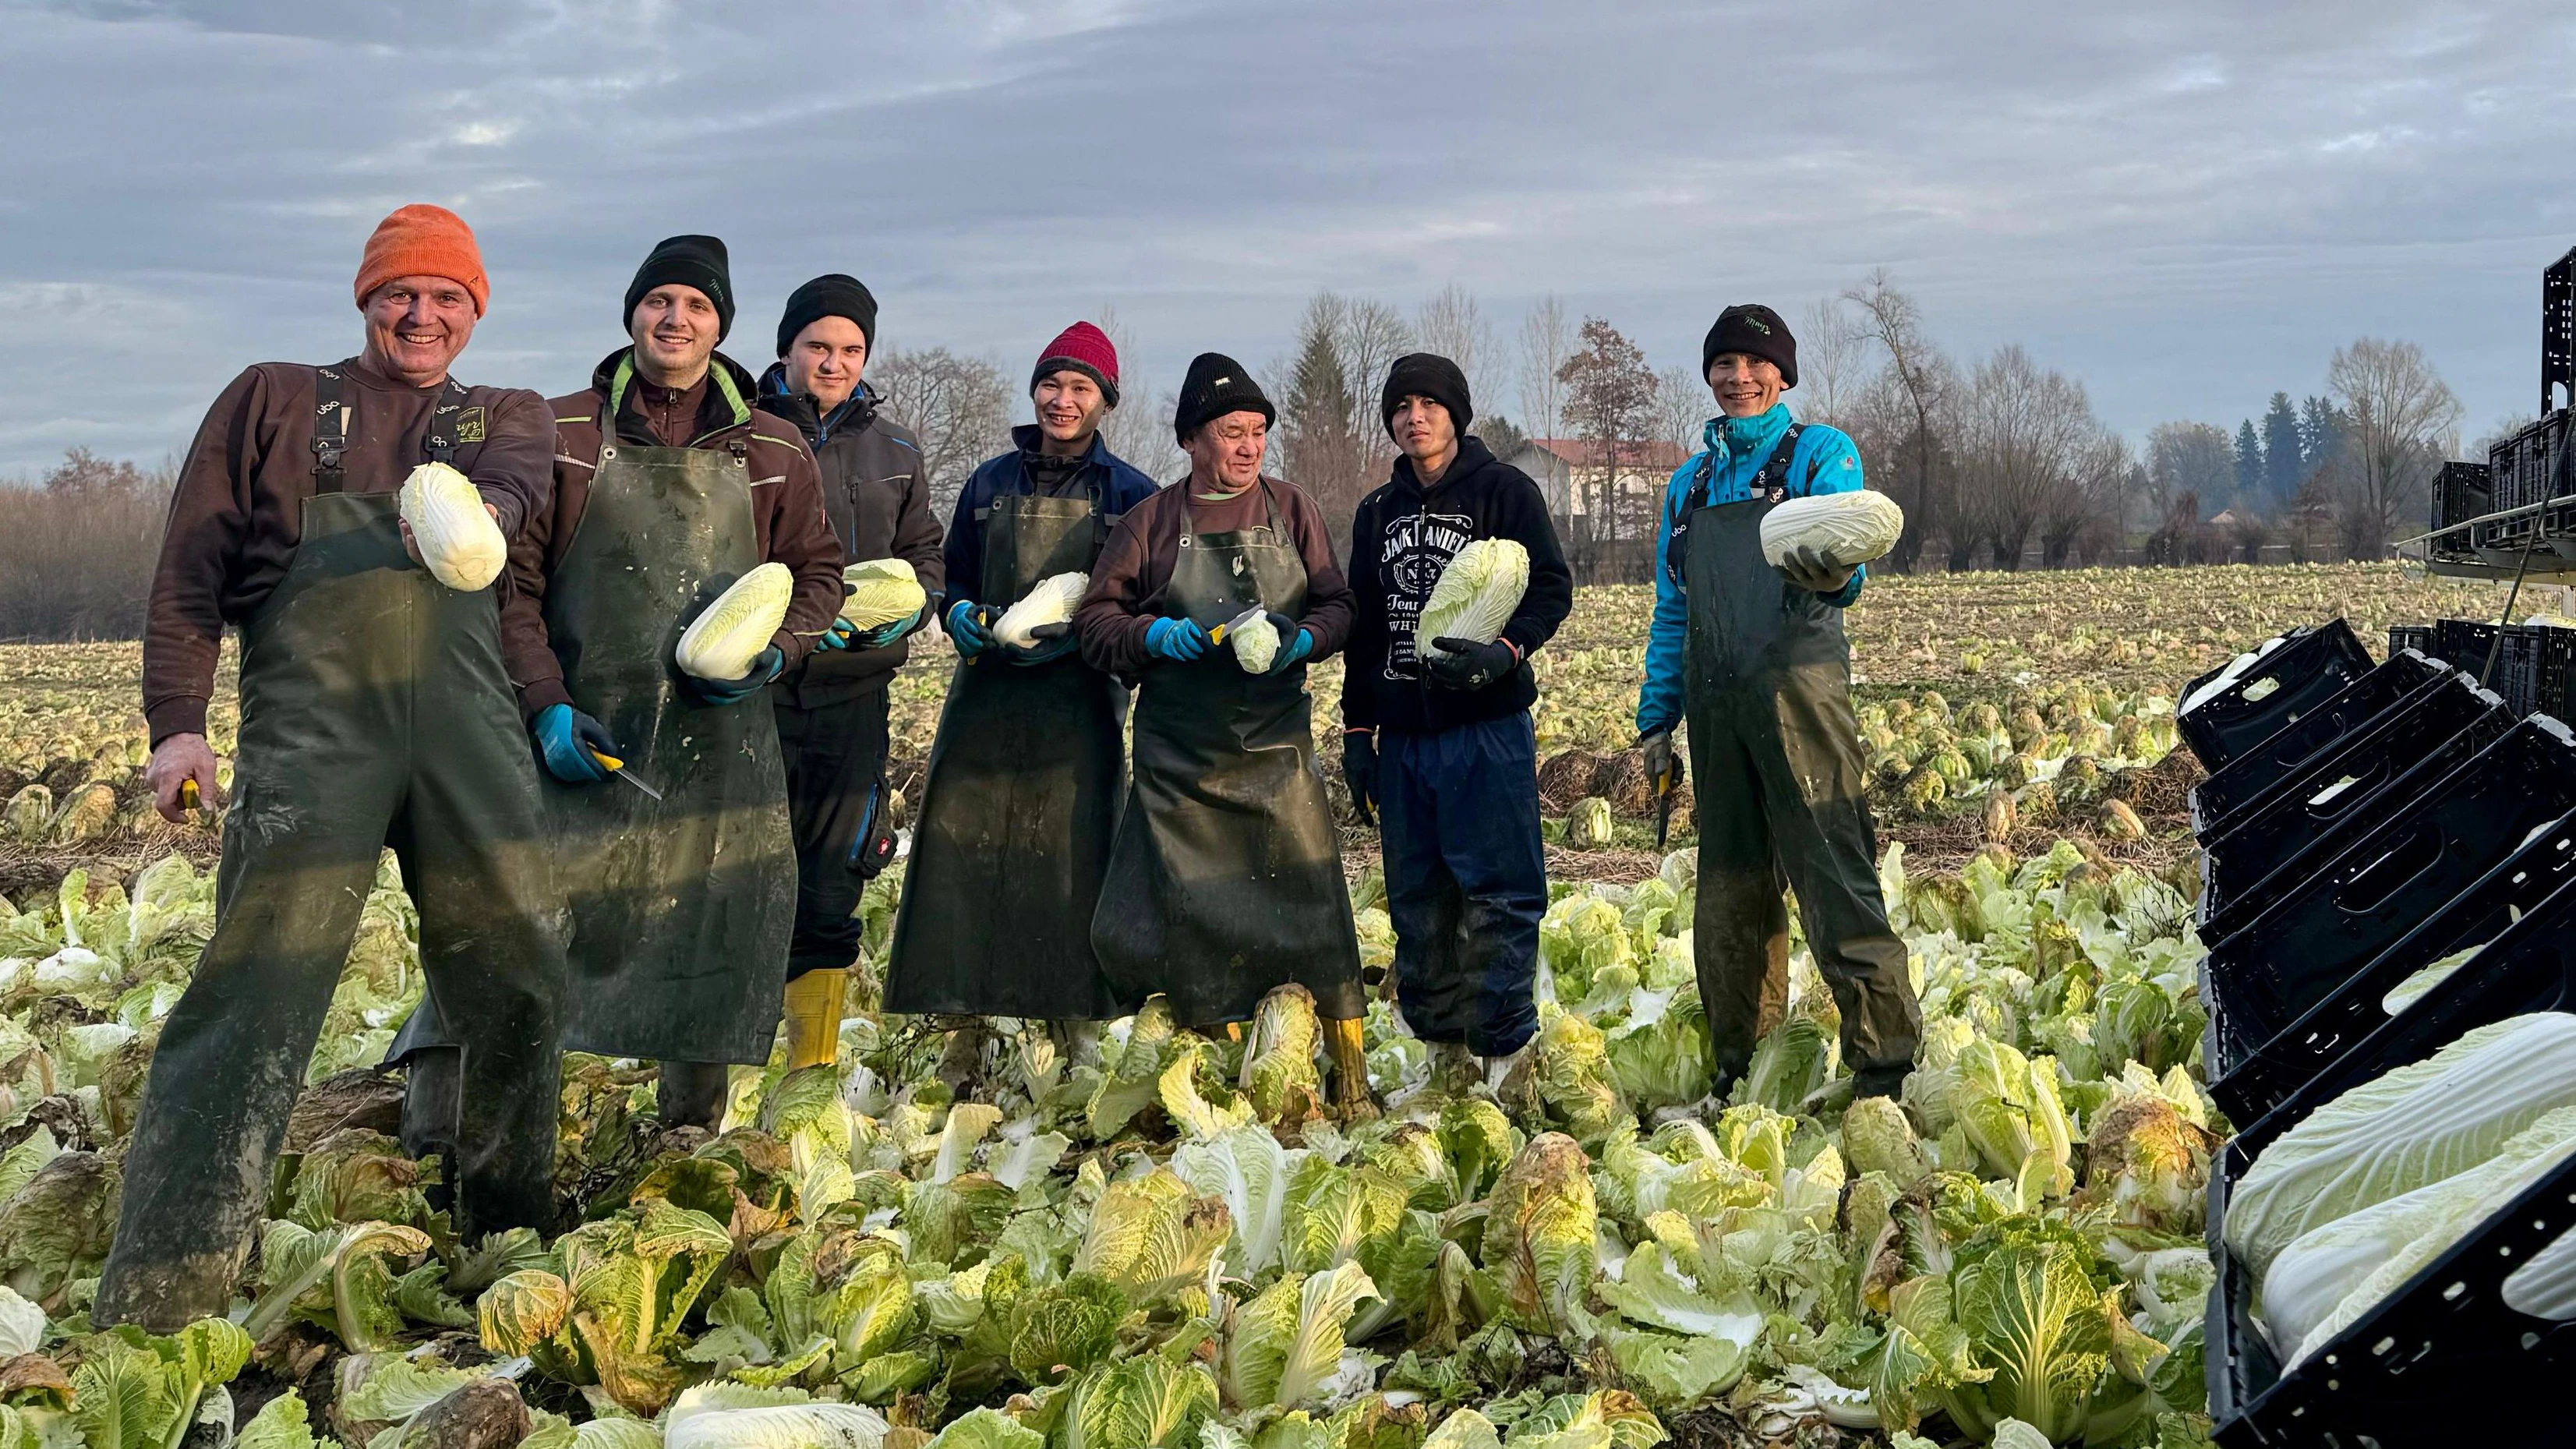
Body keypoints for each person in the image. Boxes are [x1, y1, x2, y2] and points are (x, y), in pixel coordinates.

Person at [100, 206, 567, 1329]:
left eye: (446, 297)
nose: (421, 314)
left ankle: (504, 1231)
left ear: (474, 311)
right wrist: (177, 721)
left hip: (465, 727)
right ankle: (175, 1268)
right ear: (365, 301)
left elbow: (515, 489)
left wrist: (479, 516)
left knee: (518, 965)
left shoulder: (505, 414)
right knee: (260, 977)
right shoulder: (272, 398)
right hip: (315, 731)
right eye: (399, 293)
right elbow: (189, 571)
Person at [398, 235, 843, 1135]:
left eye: (698, 307)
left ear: (721, 328)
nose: (675, 320)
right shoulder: (558, 431)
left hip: (717, 747)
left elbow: (819, 575)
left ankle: (685, 1140)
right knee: (502, 932)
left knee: (709, 940)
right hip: (574, 732)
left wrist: (777, 654)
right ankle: (438, 1143)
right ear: (633, 311)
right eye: (660, 301)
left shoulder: (776, 450)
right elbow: (510, 589)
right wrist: (545, 704)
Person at [1634, 304, 1921, 1100]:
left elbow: (1848, 563)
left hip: (1799, 697)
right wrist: (1656, 716)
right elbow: (1673, 606)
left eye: (1753, 364)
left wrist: (1834, 572)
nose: (1737, 378)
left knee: (1834, 874)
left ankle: (1883, 1062)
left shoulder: (1818, 453)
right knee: (1729, 890)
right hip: (1714, 706)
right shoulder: (1688, 485)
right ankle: (1744, 1062)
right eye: (1721, 364)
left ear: (1782, 374)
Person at [1074, 353, 1372, 1115]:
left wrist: (1305, 639)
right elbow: (1096, 624)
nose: (1247, 447)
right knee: (1195, 926)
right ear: (1190, 440)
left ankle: (1350, 1077)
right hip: (1181, 762)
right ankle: (1218, 1072)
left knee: (1313, 907)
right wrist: (1150, 636)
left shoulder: (1291, 510)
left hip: (1275, 747)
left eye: (1257, 432)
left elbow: (1337, 605)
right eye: (1230, 432)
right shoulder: (1151, 522)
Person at [884, 323, 1156, 1081]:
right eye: (1051, 384)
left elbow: (1137, 603)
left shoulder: (1131, 495)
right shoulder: (989, 481)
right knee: (960, 856)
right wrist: (961, 614)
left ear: (1104, 401)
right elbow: (955, 574)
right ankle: (962, 1028)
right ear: (1034, 389)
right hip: (986, 697)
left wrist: (1084, 639)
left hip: (1079, 705)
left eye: (1080, 388)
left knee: (1075, 864)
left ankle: (1076, 1033)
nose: (1061, 400)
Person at [1342, 354, 1572, 1089]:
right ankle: (1443, 1062)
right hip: (1406, 736)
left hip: (1485, 729)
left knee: (1499, 892)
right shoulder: (1376, 512)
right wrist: (1356, 732)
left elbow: (1551, 588)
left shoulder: (1505, 491)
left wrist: (1505, 652)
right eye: (1401, 406)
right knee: (1418, 898)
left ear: (1456, 413)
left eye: (1429, 404)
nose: (1415, 417)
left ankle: (1503, 1056)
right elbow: (1365, 628)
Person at [755, 275, 944, 1069]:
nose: (832, 362)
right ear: (787, 349)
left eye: (849, 349)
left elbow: (925, 551)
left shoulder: (895, 447)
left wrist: (918, 604)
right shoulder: (745, 432)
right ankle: (729, 1053)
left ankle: (809, 1067)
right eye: (817, 346)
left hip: (854, 695)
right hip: (754, 693)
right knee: (742, 876)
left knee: (834, 884)